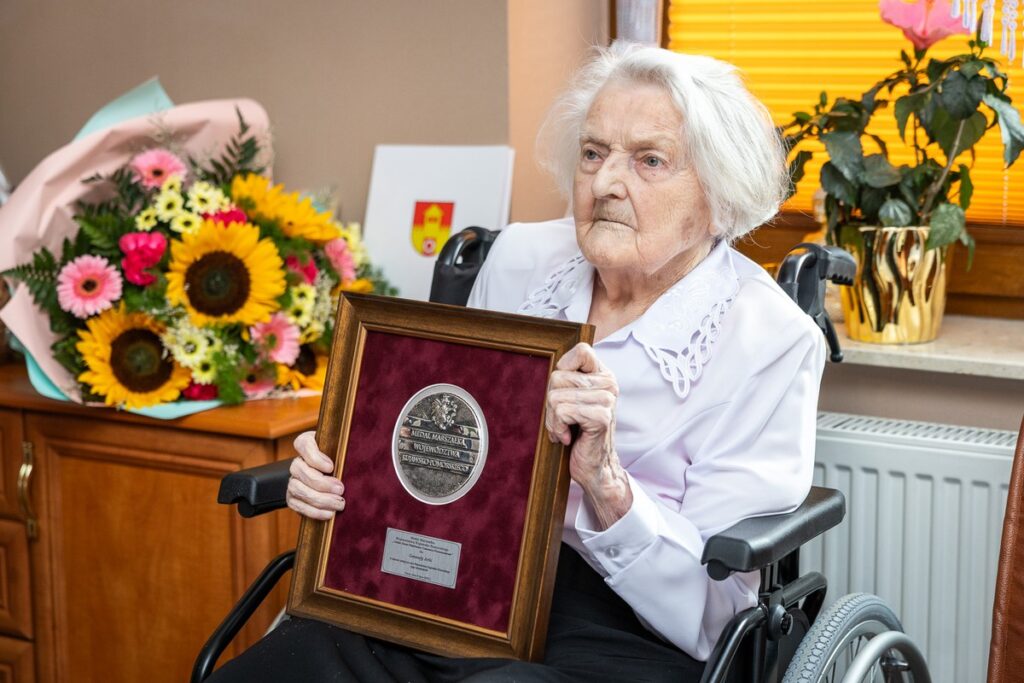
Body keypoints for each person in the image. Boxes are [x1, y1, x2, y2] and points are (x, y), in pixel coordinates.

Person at [210, 41, 825, 683]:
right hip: (463, 579)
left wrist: (607, 485)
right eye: (593, 153)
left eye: (649, 160)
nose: (607, 182)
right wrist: (346, 468)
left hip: (626, 625)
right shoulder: (520, 260)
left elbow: (714, 617)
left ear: (717, 196)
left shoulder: (768, 340)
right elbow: (444, 439)